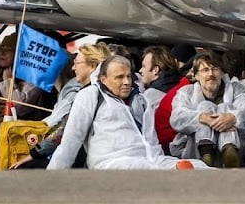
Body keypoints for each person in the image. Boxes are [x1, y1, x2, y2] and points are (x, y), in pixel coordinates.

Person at [47, 55, 208, 170]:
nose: (126, 82)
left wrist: (166, 163)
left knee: (200, 167)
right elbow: (70, 143)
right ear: (103, 79)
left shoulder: (142, 101)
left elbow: (152, 142)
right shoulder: (90, 95)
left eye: (129, 76)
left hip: (150, 160)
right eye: (119, 77)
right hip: (112, 163)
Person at [11, 42, 110, 169]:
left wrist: (34, 154)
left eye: (77, 63)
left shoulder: (88, 94)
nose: (73, 68)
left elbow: (65, 131)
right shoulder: (102, 92)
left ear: (92, 66)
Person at [168, 50, 245, 168]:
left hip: (237, 150)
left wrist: (232, 118)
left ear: (222, 72)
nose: (210, 74)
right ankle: (206, 153)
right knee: (204, 107)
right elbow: (176, 117)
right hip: (194, 151)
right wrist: (201, 118)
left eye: (215, 69)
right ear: (196, 76)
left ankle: (229, 151)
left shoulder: (237, 89)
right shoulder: (186, 92)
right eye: (205, 70)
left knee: (225, 108)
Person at [139, 45, 182, 111]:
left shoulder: (149, 97)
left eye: (144, 66)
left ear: (155, 70)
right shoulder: (183, 88)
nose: (140, 70)